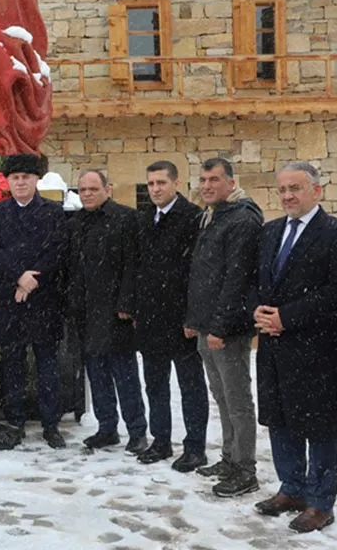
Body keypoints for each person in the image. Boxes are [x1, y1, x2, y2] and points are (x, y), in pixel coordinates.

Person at [249, 163, 337, 533]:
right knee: (280, 419)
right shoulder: (270, 231)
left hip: (313, 350)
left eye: (295, 188)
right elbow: (256, 281)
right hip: (273, 347)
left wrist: (287, 317)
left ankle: (320, 501)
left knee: (319, 426)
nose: (288, 196)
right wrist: (258, 310)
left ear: (317, 190)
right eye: (282, 190)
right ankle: (291, 488)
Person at [185, 157, 262, 497]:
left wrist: (218, 327)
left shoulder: (242, 219)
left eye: (214, 179)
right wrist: (195, 319)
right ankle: (229, 458)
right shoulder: (213, 216)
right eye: (203, 179)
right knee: (222, 397)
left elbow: (235, 279)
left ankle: (245, 468)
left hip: (227, 328)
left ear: (231, 183)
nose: (207, 185)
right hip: (207, 324)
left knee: (237, 399)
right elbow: (203, 274)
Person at [0, 153, 68, 449]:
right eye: (15, 178)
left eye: (26, 178)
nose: (21, 182)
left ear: (36, 180)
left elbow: (56, 251)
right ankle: (15, 419)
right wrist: (19, 277)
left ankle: (50, 424)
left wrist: (34, 280)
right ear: (8, 181)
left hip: (43, 299)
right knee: (13, 363)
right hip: (10, 298)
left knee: (47, 364)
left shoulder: (54, 212)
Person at [132, 160, 207, 471]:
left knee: (190, 385)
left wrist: (194, 317)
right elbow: (137, 267)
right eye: (150, 184)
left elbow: (198, 273)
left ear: (176, 183)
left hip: (181, 318)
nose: (155, 189)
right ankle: (161, 440)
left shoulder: (192, 218)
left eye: (161, 183)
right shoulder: (145, 218)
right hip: (150, 317)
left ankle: (195, 447)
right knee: (155, 384)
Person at [67, 170, 146, 454]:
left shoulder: (126, 219)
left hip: (115, 312)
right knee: (96, 373)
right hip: (85, 311)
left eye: (92, 188)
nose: (87, 194)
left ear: (107, 189)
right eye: (82, 190)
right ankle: (107, 428)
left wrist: (127, 304)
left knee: (124, 374)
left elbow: (132, 265)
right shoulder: (75, 223)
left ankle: (137, 430)